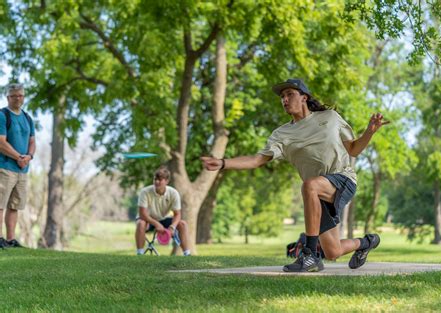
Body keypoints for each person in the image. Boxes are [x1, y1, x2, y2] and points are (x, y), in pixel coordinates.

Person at [201, 78, 389, 272]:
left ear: (304, 98)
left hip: (343, 179)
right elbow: (257, 160)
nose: (284, 99)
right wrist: (223, 163)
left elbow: (353, 149)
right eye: (282, 96)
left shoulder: (330, 117)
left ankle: (309, 255)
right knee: (333, 251)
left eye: (290, 94)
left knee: (310, 185)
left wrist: (369, 132)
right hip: (317, 195)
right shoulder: (282, 134)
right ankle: (367, 242)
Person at [0, 83, 36, 249]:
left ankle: (10, 239)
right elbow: (1, 143)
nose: (18, 98)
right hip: (5, 167)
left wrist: (29, 156)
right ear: (8, 97)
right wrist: (18, 156)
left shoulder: (28, 118)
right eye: (14, 95)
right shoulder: (3, 115)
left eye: (20, 95)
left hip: (22, 169)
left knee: (14, 206)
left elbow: (32, 141)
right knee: (0, 204)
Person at [135, 165, 191, 256]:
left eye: (160, 180)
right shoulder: (145, 192)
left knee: (182, 224)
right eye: (155, 179)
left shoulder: (173, 193)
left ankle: (187, 254)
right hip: (147, 219)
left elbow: (177, 214)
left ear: (166, 181)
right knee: (140, 223)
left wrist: (172, 227)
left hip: (163, 218)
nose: (156, 182)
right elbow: (142, 213)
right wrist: (156, 224)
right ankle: (140, 254)